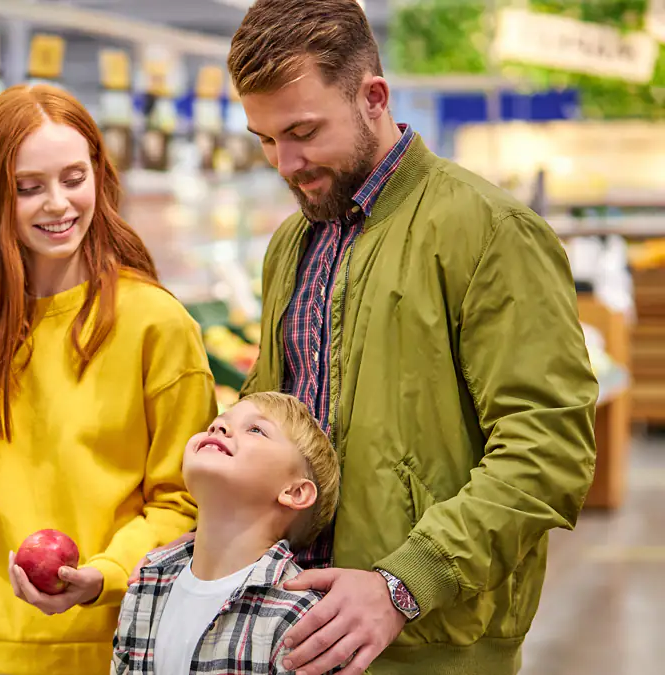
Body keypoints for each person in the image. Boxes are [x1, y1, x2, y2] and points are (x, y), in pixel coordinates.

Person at [222, 1, 599, 674]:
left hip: (433, 643)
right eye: (266, 139)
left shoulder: (489, 231)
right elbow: (273, 422)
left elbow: (547, 449)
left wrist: (404, 583)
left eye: (303, 131)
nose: (285, 162)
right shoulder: (292, 243)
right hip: (294, 628)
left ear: (374, 97)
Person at [0, 83, 218, 675]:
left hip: (125, 647)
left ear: (98, 176)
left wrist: (104, 577)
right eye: (28, 188)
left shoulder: (155, 324)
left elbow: (186, 501)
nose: (58, 204)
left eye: (73, 178)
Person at [112, 392, 341, 675]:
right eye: (218, 421)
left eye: (255, 429)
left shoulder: (301, 617)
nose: (217, 427)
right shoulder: (145, 585)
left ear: (295, 492)